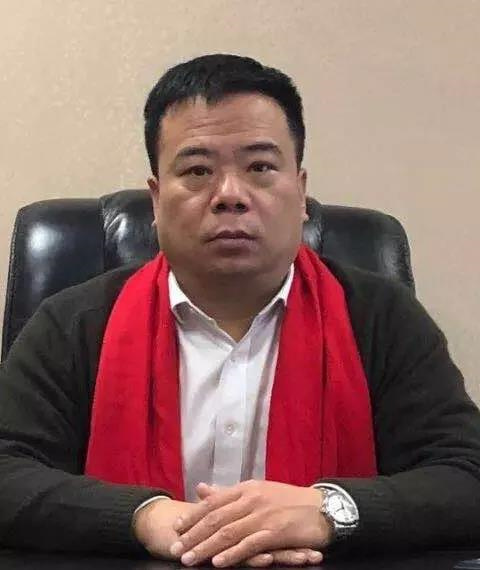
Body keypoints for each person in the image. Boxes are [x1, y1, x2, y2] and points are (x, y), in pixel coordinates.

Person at [0, 54, 479, 568]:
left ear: (301, 192)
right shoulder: (72, 323)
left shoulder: (381, 317)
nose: (230, 195)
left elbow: (465, 475)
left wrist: (329, 508)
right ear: (156, 200)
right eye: (198, 171)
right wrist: (144, 517)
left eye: (260, 168)